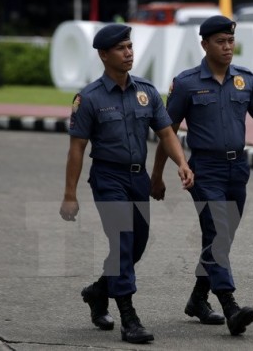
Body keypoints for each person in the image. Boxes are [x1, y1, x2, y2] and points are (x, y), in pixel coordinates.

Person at [151, 15, 253, 336]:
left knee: (222, 236)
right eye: (220, 41)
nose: (227, 47)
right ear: (204, 44)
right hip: (205, 169)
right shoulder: (187, 82)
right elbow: (168, 131)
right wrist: (158, 174)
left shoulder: (245, 80)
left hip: (238, 169)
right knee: (219, 233)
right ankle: (230, 304)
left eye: (231, 41)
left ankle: (197, 299)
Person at [59, 23, 194, 344]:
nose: (129, 52)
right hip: (108, 177)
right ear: (103, 55)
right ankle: (129, 318)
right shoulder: (89, 98)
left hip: (138, 178)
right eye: (121, 48)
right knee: (122, 240)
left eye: (130, 46)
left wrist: (183, 163)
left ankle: (98, 292)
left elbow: (166, 133)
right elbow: (77, 148)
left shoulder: (146, 92)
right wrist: (69, 195)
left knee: (136, 244)